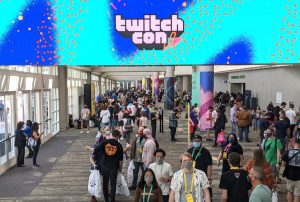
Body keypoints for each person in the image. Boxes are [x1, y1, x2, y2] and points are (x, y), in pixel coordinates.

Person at [91, 130, 123, 202]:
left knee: (105, 184)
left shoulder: (104, 142)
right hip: (114, 167)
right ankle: (112, 200)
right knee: (113, 185)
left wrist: (90, 149)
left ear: (111, 135)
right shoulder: (119, 146)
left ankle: (106, 199)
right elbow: (121, 160)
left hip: (104, 166)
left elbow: (96, 150)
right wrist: (120, 169)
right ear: (118, 136)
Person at [281, 133, 300, 202]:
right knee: (297, 195)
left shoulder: (288, 152)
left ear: (294, 143)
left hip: (289, 176)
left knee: (289, 191)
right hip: (299, 178)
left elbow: (283, 164)